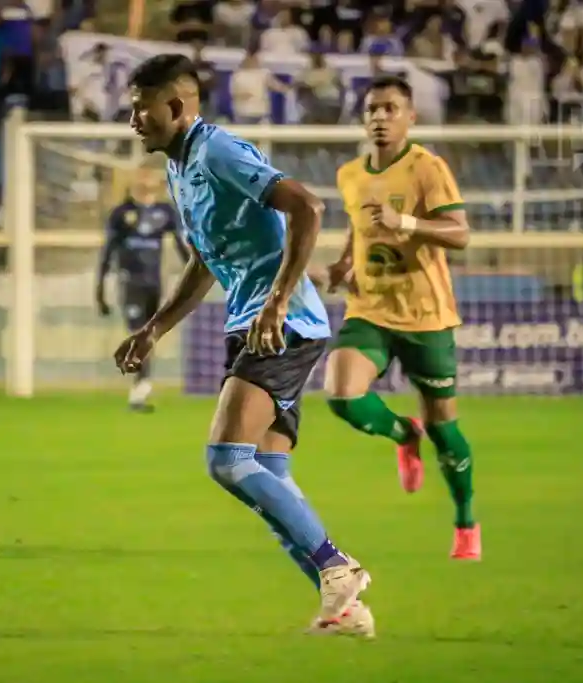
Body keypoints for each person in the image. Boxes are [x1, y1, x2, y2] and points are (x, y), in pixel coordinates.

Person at [112, 53, 373, 636]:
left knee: (226, 461)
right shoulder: (183, 167)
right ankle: (345, 610)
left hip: (282, 324)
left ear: (176, 107)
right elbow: (207, 256)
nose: (133, 121)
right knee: (271, 477)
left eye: (140, 109)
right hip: (253, 323)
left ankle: (336, 566)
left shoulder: (219, 151)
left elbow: (307, 206)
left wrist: (278, 299)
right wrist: (155, 327)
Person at [320, 75, 480, 560]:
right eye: (372, 108)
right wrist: (346, 261)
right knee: (342, 395)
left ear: (411, 117)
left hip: (426, 316)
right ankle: (401, 433)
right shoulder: (350, 173)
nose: (380, 117)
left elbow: (460, 234)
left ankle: (465, 522)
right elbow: (358, 225)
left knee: (445, 429)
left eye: (391, 108)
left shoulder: (427, 168)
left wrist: (404, 223)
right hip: (370, 308)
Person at [96, 169, 187, 412]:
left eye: (151, 177)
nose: (146, 181)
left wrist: (196, 274)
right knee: (139, 333)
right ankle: (140, 388)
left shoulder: (165, 212)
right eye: (141, 176)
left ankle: (141, 388)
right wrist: (100, 291)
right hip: (130, 282)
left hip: (154, 284)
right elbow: (107, 253)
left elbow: (181, 246)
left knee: (149, 335)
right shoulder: (121, 214)